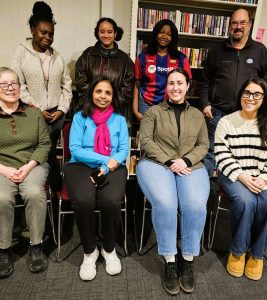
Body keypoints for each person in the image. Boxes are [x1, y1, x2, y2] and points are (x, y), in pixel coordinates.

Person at [137, 68, 209, 295]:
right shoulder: (153, 112)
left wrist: (185, 160)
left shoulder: (197, 115)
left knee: (195, 206)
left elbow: (204, 145)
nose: (175, 87)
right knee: (167, 205)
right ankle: (170, 260)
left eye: (180, 83)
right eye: (171, 83)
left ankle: (187, 259)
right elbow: (146, 141)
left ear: (188, 86)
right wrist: (169, 161)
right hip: (156, 164)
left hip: (191, 165)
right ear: (166, 87)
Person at [214, 77, 267, 281]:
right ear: (240, 95)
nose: (251, 98)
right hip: (235, 175)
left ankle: (257, 254)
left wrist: (263, 179)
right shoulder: (226, 122)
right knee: (246, 201)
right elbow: (222, 156)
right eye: (247, 93)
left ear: (264, 98)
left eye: (257, 94)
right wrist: (243, 177)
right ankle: (238, 251)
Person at [64, 76, 129, 281]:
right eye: (99, 91)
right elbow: (75, 149)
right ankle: (90, 251)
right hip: (80, 165)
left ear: (113, 96)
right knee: (84, 201)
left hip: (114, 167)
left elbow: (123, 149)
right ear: (91, 94)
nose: (103, 96)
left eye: (108, 93)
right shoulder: (79, 117)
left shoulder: (119, 119)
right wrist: (105, 160)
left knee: (111, 201)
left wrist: (109, 165)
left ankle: (108, 249)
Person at [198, 8, 267, 176]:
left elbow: (265, 84)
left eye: (242, 23)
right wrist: (205, 104)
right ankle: (201, 195)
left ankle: (232, 194)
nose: (238, 26)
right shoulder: (216, 52)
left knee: (239, 158)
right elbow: (204, 80)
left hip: (246, 117)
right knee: (209, 155)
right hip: (217, 114)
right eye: (234, 23)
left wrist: (260, 110)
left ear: (250, 25)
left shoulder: (260, 51)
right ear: (230, 26)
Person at [11, 1, 72, 195]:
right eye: (43, 32)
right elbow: (16, 84)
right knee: (36, 157)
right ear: (32, 29)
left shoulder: (57, 56)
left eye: (51, 34)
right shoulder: (21, 53)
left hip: (56, 117)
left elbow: (67, 85)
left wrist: (62, 110)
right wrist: (36, 107)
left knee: (51, 155)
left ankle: (53, 198)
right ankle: (39, 194)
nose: (47, 37)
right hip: (31, 115)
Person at [0, 67, 51, 278]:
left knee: (34, 193)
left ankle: (36, 245)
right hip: (2, 167)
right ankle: (3, 249)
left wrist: (28, 166)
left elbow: (44, 144)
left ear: (20, 88)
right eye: (4, 84)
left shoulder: (34, 113)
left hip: (33, 165)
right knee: (1, 197)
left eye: (14, 84)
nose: (10, 88)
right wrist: (4, 169)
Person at [133, 19, 192, 121]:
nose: (164, 36)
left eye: (169, 34)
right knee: (147, 135)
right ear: (156, 34)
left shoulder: (182, 59)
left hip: (171, 104)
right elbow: (137, 85)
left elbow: (187, 84)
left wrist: (180, 105)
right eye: (161, 32)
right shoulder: (142, 57)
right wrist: (135, 110)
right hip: (146, 104)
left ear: (173, 38)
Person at [75, 17, 134, 117]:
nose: (106, 35)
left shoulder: (125, 59)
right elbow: (81, 83)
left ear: (115, 34)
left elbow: (128, 87)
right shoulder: (88, 55)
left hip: (116, 111)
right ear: (97, 33)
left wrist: (112, 102)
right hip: (90, 109)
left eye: (110, 32)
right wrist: (94, 101)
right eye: (102, 32)